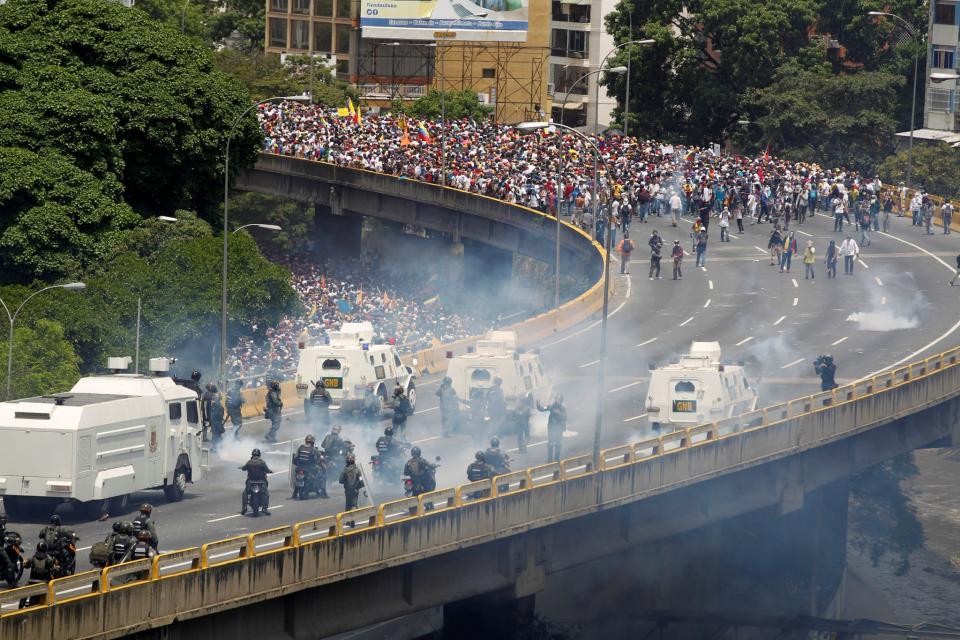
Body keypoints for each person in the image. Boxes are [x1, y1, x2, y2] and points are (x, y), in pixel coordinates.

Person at [20, 543, 57, 607]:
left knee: (24, 593)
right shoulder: (49, 559)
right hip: (43, 582)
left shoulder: (32, 558)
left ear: (37, 549)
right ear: (45, 549)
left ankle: (21, 606)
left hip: (31, 581)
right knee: (51, 592)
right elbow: (52, 571)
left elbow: (25, 565)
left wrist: (25, 563)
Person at [292, 434, 327, 499]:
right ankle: (324, 492)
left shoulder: (300, 447)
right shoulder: (313, 449)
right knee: (322, 474)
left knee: (297, 478)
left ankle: (294, 493)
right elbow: (318, 458)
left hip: (299, 467)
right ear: (313, 442)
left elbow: (295, 457)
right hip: (310, 468)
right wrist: (320, 459)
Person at [240, 448, 272, 516]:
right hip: (261, 482)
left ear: (252, 454)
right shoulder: (262, 462)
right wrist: (270, 471)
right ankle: (265, 509)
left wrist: (242, 468)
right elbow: (267, 470)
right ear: (259, 455)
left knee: (245, 493)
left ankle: (244, 507)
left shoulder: (249, 462)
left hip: (250, 482)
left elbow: (244, 468)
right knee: (266, 494)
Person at [537, 395, 567, 463]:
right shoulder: (551, 407)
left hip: (559, 428)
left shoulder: (563, 408)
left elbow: (565, 417)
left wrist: (559, 413)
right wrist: (538, 404)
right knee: (550, 444)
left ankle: (557, 459)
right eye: (555, 399)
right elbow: (542, 409)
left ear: (560, 401)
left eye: (557, 399)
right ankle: (550, 459)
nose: (555, 401)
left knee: (558, 444)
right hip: (551, 428)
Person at [206, 384, 225, 452]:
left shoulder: (214, 398)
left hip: (216, 419)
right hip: (217, 419)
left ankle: (216, 447)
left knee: (215, 434)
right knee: (217, 433)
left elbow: (217, 408)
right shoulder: (217, 396)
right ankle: (220, 446)